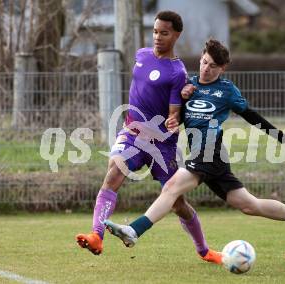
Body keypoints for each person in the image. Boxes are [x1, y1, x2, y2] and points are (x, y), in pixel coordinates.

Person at [103, 39, 285, 255]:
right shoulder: (189, 86)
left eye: (212, 66)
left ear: (222, 68)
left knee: (171, 187)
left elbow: (251, 116)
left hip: (210, 152)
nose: (206, 69)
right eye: (203, 62)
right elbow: (178, 117)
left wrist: (282, 137)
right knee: (249, 205)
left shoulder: (227, 91)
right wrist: (173, 120)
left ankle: (134, 230)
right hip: (208, 156)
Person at [76, 11, 222, 264]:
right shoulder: (141, 55)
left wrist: (172, 119)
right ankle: (96, 235)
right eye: (155, 31)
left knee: (177, 203)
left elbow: (174, 113)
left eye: (164, 33)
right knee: (113, 173)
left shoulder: (177, 73)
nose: (157, 37)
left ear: (176, 35)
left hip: (161, 145)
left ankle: (204, 250)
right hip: (132, 135)